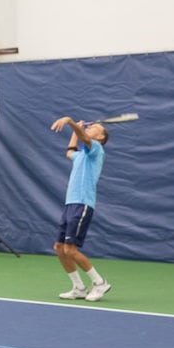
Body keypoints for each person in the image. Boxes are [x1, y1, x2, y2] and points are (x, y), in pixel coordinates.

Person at [50, 116, 112, 302]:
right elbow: (70, 152)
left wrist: (70, 121)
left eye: (96, 127)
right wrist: (74, 131)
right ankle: (78, 287)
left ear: (100, 138)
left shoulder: (97, 150)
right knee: (59, 248)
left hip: (83, 204)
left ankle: (99, 282)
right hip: (71, 203)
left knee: (70, 249)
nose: (92, 126)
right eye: (91, 126)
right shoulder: (82, 155)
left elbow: (85, 138)